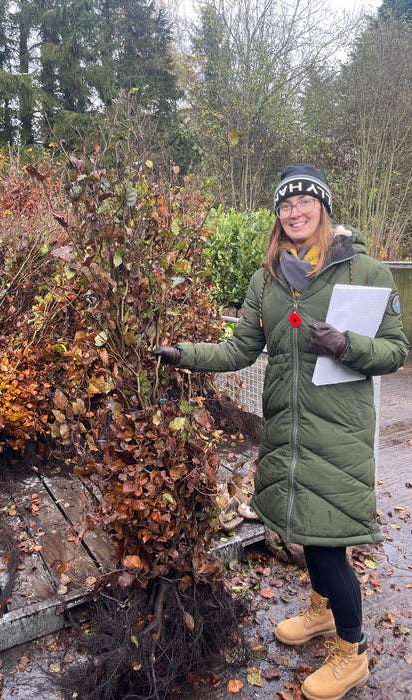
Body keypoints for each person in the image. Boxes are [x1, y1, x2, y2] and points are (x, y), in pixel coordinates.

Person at [153, 163, 409, 700]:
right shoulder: (267, 276)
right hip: (287, 427)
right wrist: (185, 355)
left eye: (304, 202)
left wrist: (348, 346)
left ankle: (353, 654)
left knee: (327, 542)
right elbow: (241, 348)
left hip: (337, 429)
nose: (294, 212)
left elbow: (395, 351)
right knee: (305, 531)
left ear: (324, 208)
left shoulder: (365, 272)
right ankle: (321, 613)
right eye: (285, 205)